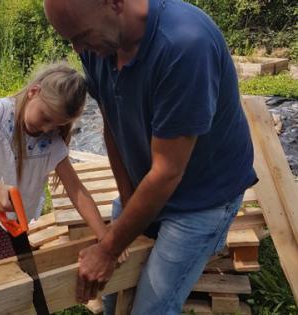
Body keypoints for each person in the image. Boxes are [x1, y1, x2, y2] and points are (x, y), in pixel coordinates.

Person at [43, 1, 258, 314]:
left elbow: (168, 172)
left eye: (82, 36)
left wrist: (108, 247)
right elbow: (112, 129)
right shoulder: (98, 44)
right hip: (150, 183)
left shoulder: (185, 45)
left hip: (203, 197)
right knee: (114, 292)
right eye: (70, 40)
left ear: (114, 3)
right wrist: (129, 202)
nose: (78, 50)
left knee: (151, 308)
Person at [0, 63, 108, 271]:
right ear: (34, 92)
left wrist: (104, 238)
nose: (47, 128)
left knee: (7, 280)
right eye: (45, 117)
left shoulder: (52, 142)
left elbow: (77, 191)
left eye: (57, 125)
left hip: (12, 227)